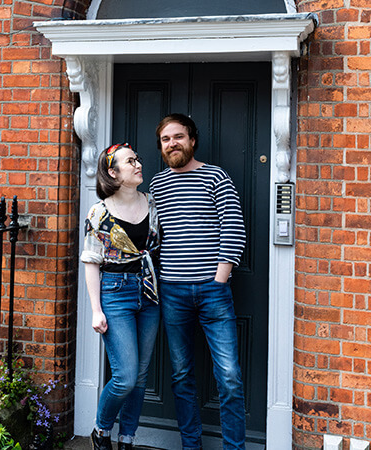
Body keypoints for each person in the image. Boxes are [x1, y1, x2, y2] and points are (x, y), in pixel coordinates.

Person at [149, 114, 247, 450]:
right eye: (166, 139)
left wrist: (219, 279)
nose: (172, 143)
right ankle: (192, 445)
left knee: (230, 378)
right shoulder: (156, 186)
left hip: (212, 290)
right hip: (172, 292)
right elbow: (152, 238)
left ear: (192, 140)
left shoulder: (216, 177)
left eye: (179, 136)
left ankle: (235, 447)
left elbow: (234, 228)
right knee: (180, 375)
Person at [81, 143, 160, 450]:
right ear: (113, 173)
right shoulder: (99, 212)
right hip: (115, 292)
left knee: (140, 376)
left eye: (137, 159)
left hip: (149, 293)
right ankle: (101, 430)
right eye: (130, 162)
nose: (138, 164)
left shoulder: (151, 203)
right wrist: (96, 310)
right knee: (125, 376)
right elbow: (91, 261)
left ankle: (127, 437)